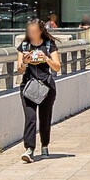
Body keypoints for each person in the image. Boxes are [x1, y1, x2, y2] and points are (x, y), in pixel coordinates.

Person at [17, 18, 59, 161]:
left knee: (45, 118)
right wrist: (24, 62)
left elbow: (57, 67)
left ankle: (45, 145)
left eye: (34, 31)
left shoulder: (49, 45)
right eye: (29, 31)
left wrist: (46, 58)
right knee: (30, 117)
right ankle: (29, 149)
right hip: (28, 87)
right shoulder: (23, 46)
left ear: (41, 31)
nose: (31, 33)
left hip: (46, 87)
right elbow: (19, 69)